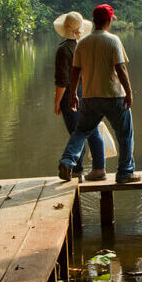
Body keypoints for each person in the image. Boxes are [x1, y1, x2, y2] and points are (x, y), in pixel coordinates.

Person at [57, 4, 140, 183]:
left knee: (81, 131)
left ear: (94, 21)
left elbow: (75, 71)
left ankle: (67, 161)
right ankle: (125, 172)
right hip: (114, 96)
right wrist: (129, 92)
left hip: (90, 98)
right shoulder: (113, 40)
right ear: (108, 21)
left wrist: (73, 94)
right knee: (125, 134)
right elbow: (120, 68)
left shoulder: (82, 43)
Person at [53, 11, 106, 181]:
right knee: (92, 130)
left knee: (77, 133)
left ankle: (77, 171)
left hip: (71, 94)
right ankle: (99, 168)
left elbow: (62, 81)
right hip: (89, 93)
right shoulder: (85, 46)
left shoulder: (63, 50)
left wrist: (57, 102)